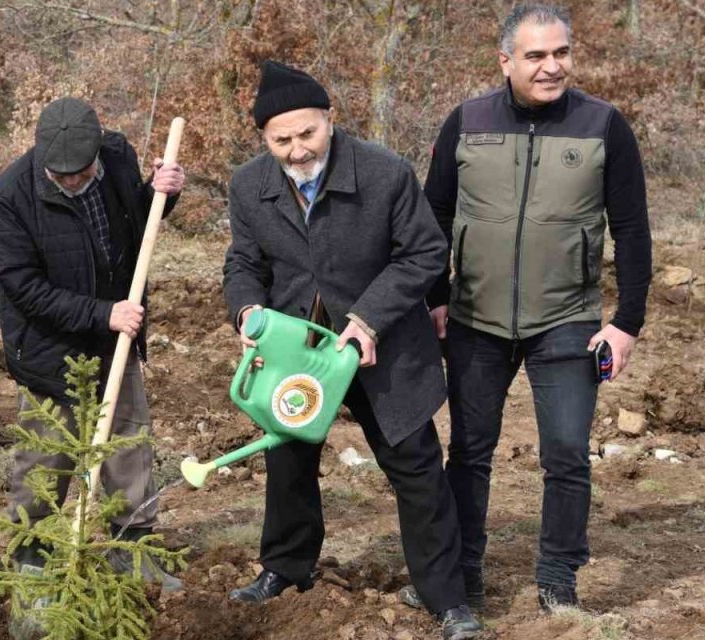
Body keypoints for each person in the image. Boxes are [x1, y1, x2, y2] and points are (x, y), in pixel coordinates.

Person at [222, 61, 482, 640]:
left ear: (330, 121)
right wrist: (247, 312)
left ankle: (446, 599)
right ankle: (286, 569)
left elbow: (422, 253)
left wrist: (368, 319)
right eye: (280, 139)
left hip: (380, 347)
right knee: (287, 464)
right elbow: (243, 262)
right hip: (296, 350)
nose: (295, 150)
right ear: (264, 139)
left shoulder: (385, 172)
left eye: (306, 134)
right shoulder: (249, 186)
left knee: (416, 469)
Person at [410, 3, 653, 612]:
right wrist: (437, 298)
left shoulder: (604, 126)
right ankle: (460, 575)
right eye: (536, 55)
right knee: (468, 452)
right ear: (506, 61)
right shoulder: (466, 121)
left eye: (561, 53)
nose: (552, 67)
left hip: (566, 321)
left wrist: (626, 324)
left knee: (567, 454)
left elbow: (633, 229)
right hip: (474, 319)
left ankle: (558, 578)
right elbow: (431, 217)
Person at [0, 97, 185, 590]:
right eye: (61, 174)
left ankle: (132, 545)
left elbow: (135, 228)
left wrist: (161, 193)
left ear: (97, 151)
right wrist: (103, 313)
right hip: (49, 345)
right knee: (47, 453)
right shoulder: (11, 197)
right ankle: (31, 555)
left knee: (128, 442)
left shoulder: (116, 155)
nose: (72, 180)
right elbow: (24, 288)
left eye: (81, 171)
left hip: (117, 333)